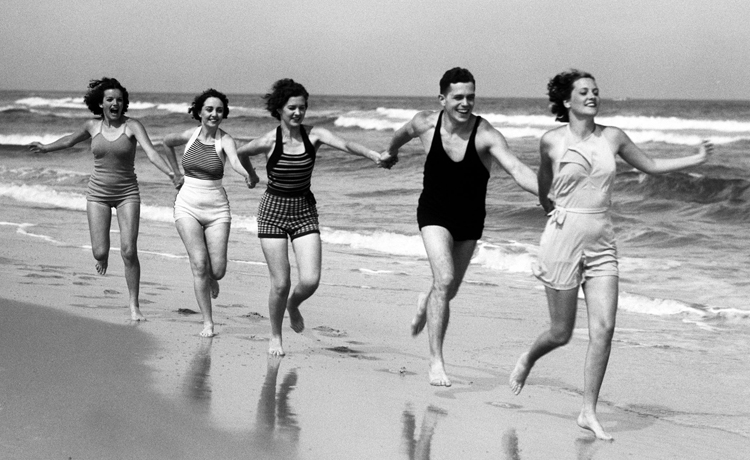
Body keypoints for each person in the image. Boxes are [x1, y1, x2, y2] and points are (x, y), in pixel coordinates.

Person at [509, 69, 713, 440]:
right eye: (584, 91)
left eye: (596, 91)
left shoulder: (614, 137)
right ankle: (528, 358)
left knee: (604, 328)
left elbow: (650, 165)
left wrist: (695, 159)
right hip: (562, 240)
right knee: (561, 332)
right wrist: (551, 210)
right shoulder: (551, 141)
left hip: (602, 242)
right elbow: (543, 186)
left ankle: (588, 410)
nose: (592, 96)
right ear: (566, 101)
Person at [379, 67, 538, 387]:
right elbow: (402, 132)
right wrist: (390, 152)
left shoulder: (486, 135)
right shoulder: (426, 122)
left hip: (469, 220)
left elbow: (518, 170)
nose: (466, 103)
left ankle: (426, 300)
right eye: (458, 97)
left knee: (446, 289)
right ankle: (436, 361)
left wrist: (550, 195)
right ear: (442, 99)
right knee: (446, 278)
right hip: (434, 213)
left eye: (471, 97)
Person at [236, 78, 391, 356]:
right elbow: (240, 152)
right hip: (272, 212)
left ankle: (293, 305)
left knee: (310, 280)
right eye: (292, 107)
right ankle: (275, 335)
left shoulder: (314, 135)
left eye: (303, 108)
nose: (298, 113)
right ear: (279, 109)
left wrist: (372, 154)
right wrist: (252, 174)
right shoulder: (269, 140)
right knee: (280, 283)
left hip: (304, 211)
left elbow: (345, 144)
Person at [28, 77, 180, 321]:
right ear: (100, 103)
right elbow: (69, 141)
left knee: (129, 251)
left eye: (119, 100)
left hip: (127, 194)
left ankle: (134, 305)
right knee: (99, 252)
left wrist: (172, 174)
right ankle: (103, 256)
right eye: (110, 99)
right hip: (97, 195)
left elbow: (151, 153)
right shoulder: (92, 126)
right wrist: (45, 147)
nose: (115, 103)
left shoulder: (133, 126)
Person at [163, 89, 260, 337]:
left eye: (219, 110)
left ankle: (211, 277)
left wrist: (246, 174)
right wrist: (175, 172)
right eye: (209, 109)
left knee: (217, 270)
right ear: (199, 112)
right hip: (186, 205)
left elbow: (235, 161)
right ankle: (208, 322)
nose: (214, 114)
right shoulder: (189, 135)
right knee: (198, 264)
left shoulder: (225, 140)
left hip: (217, 209)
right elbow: (166, 142)